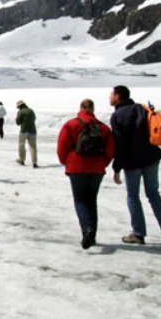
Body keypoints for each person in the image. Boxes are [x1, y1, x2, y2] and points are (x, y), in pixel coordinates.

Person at [109, 85, 161, 248]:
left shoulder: (117, 116)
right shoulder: (141, 108)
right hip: (151, 157)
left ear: (118, 96)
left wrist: (116, 168)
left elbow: (119, 144)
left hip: (132, 162)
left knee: (133, 196)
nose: (110, 98)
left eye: (111, 95)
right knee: (153, 194)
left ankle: (138, 234)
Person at [57, 99, 115, 249]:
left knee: (80, 200)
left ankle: (86, 230)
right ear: (93, 109)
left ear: (81, 108)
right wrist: (103, 163)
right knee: (91, 201)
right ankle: (92, 235)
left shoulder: (71, 124)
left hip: (76, 167)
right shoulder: (103, 128)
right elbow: (110, 150)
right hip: (96, 169)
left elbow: (62, 147)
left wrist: (67, 162)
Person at [15, 100, 38, 168]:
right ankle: (34, 162)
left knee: (21, 145)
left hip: (24, 131)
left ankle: (22, 160)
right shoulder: (31, 110)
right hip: (32, 130)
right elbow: (34, 118)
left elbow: (18, 122)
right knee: (33, 146)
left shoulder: (20, 112)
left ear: (20, 106)